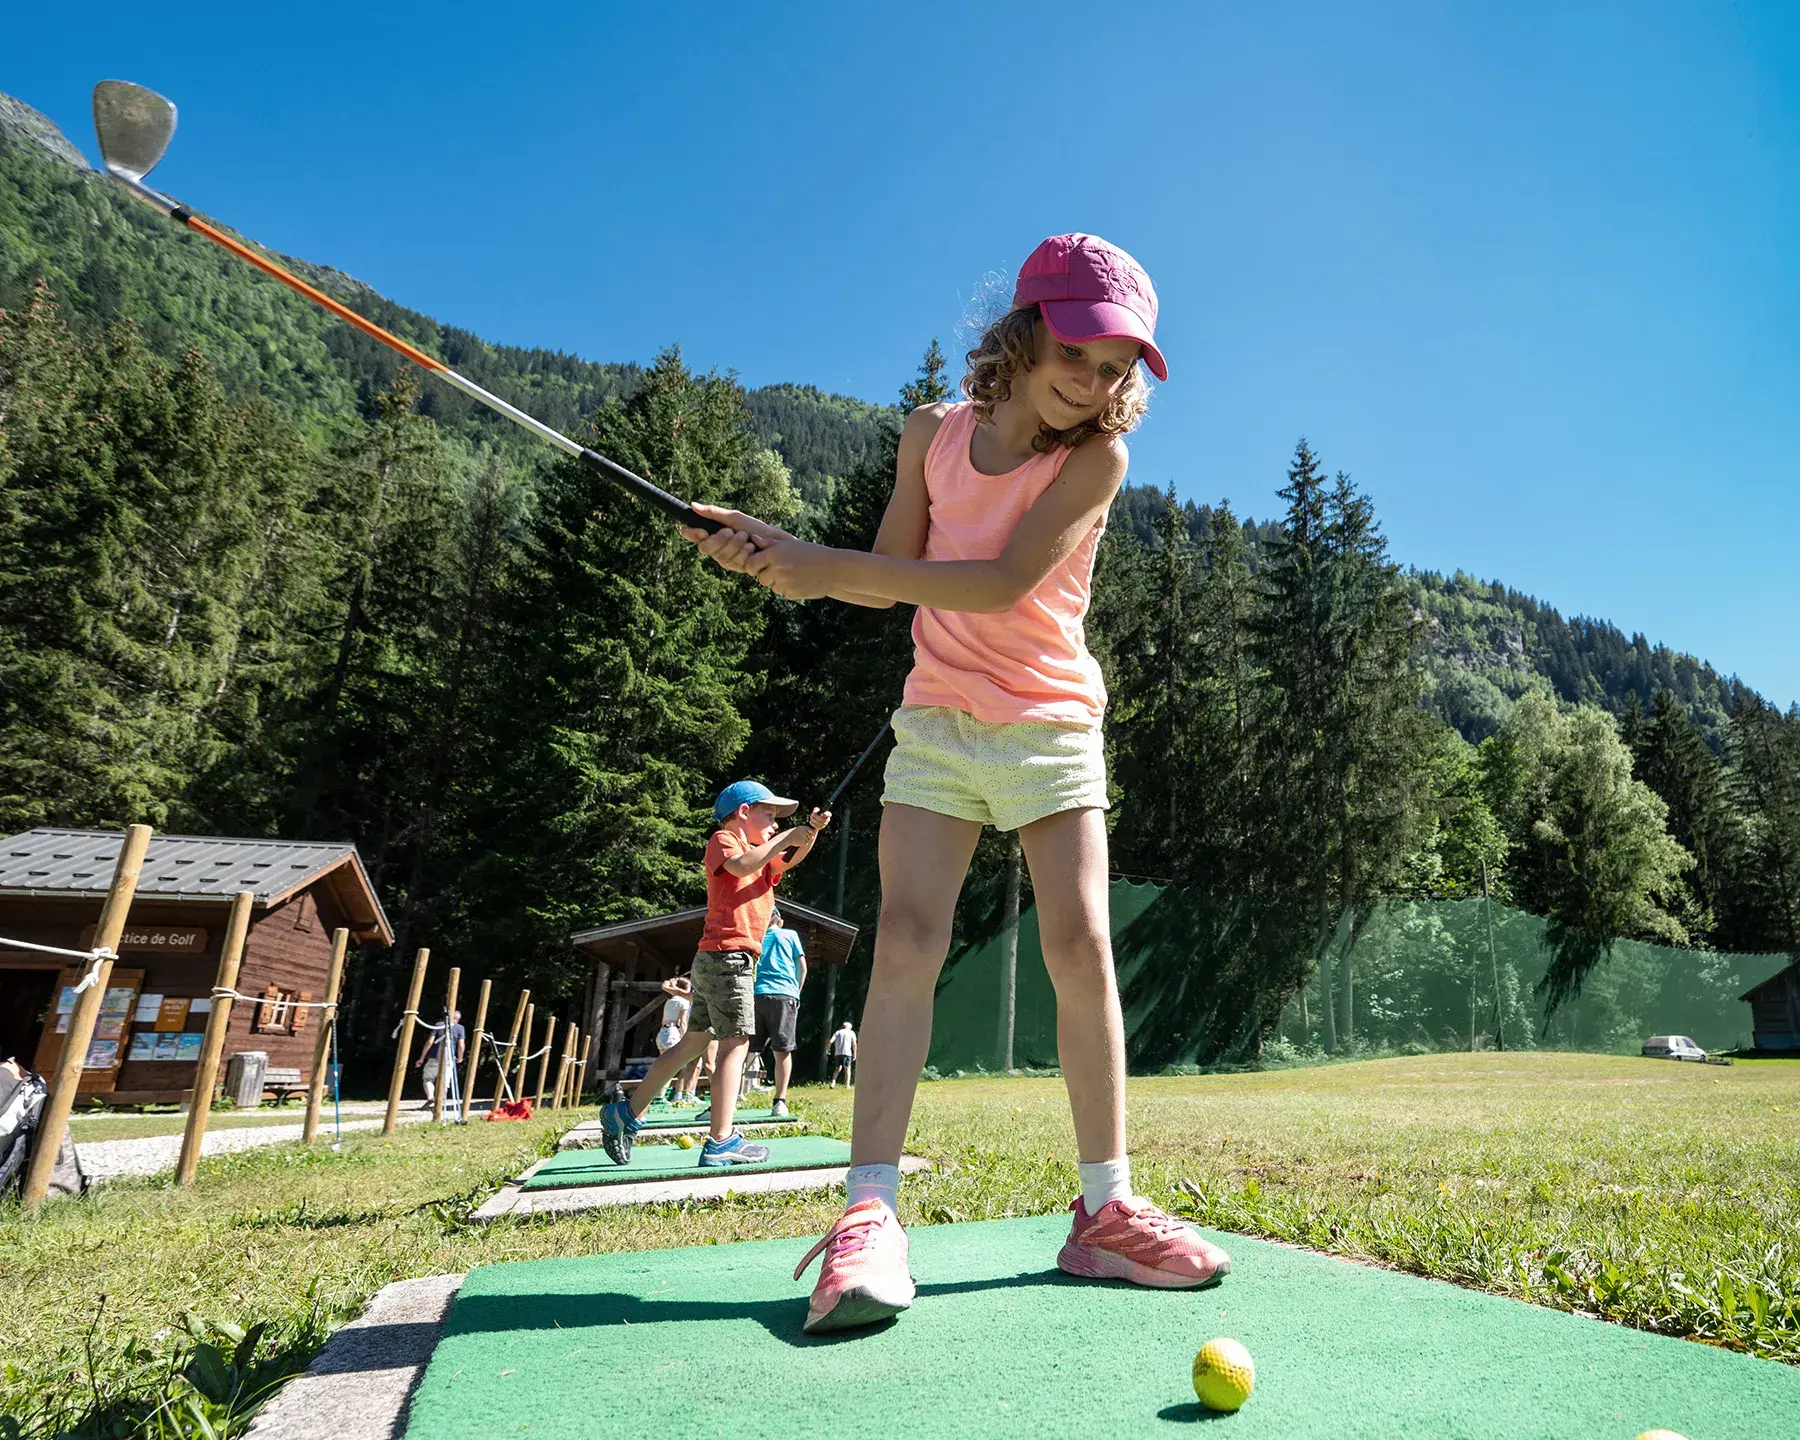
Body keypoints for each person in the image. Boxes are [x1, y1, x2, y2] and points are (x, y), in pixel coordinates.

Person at [683, 234, 1232, 1332]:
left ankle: (1105, 1210)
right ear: (1025, 334)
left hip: (1051, 729)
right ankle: (870, 1215)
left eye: (1122, 363)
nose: (1098, 378)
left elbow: (996, 581)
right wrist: (776, 555)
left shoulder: (1095, 462)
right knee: (911, 946)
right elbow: (893, 578)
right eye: (1081, 347)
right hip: (936, 725)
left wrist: (823, 565)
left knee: (1081, 949)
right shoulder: (931, 434)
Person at [600, 780, 830, 1166]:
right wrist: (790, 834)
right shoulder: (724, 840)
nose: (774, 824)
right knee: (735, 1045)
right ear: (744, 812)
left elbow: (785, 858)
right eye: (769, 815)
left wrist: (809, 833)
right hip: (728, 958)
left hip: (719, 961)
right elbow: (743, 866)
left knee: (690, 1045)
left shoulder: (761, 853)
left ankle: (625, 1113)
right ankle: (721, 1141)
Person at [755, 908, 807, 1119]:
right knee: (782, 1051)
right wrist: (797, 992)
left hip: (754, 994)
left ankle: (724, 1104)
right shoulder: (790, 934)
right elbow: (802, 967)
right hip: (784, 995)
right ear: (781, 921)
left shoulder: (755, 938)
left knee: (741, 1050)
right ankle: (780, 1101)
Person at [653, 976, 692, 1105]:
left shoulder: (670, 1001)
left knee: (664, 1065)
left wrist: (671, 981)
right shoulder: (684, 1002)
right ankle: (668, 1096)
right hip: (673, 1033)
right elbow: (682, 1022)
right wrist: (685, 1037)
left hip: (663, 1033)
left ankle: (659, 1094)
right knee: (677, 1067)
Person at [415, 1008, 464, 1108]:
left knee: (428, 1078)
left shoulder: (438, 1025)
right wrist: (460, 1057)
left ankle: (430, 1097)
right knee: (445, 1082)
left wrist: (422, 1058)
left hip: (434, 1056)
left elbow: (429, 1042)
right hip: (449, 1057)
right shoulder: (460, 1028)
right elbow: (461, 1044)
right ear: (457, 1019)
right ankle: (439, 1102)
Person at [828, 1020, 857, 1088]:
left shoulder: (838, 1032)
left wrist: (828, 1049)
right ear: (849, 1027)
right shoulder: (851, 1033)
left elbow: (830, 1041)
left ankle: (833, 1083)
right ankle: (847, 1085)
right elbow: (854, 1044)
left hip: (837, 1053)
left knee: (837, 1068)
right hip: (847, 1053)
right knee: (847, 1068)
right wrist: (855, 1054)